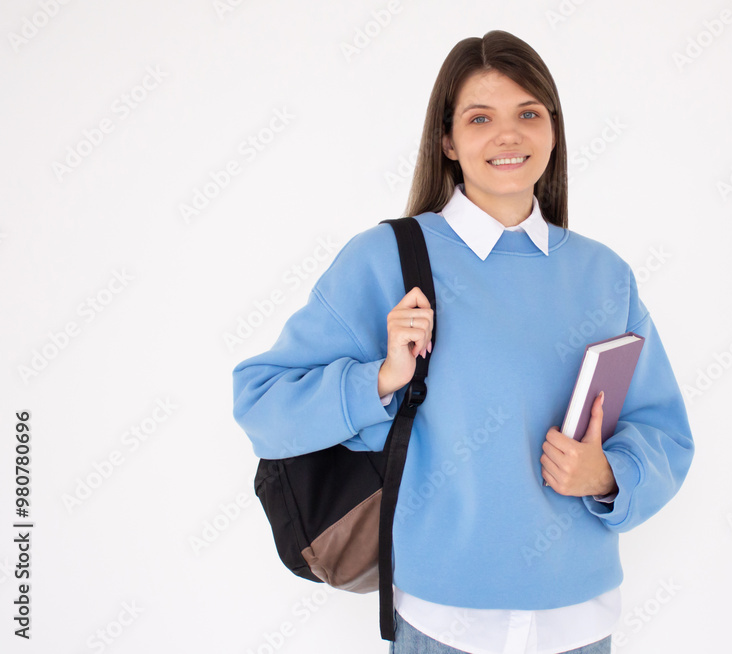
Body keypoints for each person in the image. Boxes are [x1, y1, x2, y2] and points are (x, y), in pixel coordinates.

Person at [232, 29, 694, 654]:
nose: (509, 135)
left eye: (529, 113)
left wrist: (610, 474)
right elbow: (260, 400)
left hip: (579, 625)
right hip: (442, 625)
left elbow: (663, 430)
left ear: (553, 130)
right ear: (447, 140)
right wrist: (380, 379)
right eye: (480, 118)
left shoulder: (604, 275)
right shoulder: (385, 261)